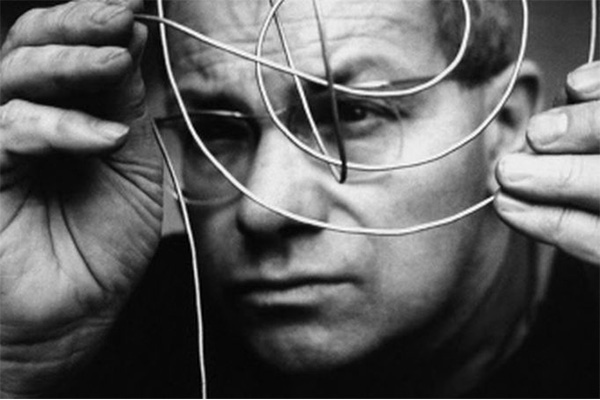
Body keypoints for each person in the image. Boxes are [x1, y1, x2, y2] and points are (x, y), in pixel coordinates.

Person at [0, 0, 598, 397]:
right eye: (216, 130)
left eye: (350, 114)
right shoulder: (99, 324)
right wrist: (19, 365)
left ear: (507, 126)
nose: (262, 207)